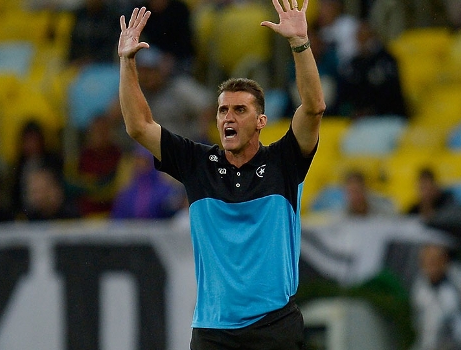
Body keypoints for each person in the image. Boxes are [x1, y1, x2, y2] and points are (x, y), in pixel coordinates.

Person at [117, 0, 326, 347]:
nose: (228, 117)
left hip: (274, 325)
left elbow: (314, 108)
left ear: (261, 122)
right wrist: (126, 62)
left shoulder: (284, 162)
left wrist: (299, 44)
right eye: (222, 110)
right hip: (213, 333)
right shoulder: (196, 163)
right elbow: (138, 127)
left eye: (240, 110)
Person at [135, 45, 215, 143]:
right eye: (142, 72)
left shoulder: (180, 87)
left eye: (150, 71)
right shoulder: (139, 94)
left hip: (187, 144)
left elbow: (208, 106)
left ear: (160, 70)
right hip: (158, 148)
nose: (146, 77)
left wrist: (201, 131)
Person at [335, 20, 407, 118]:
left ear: (373, 37)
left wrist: (372, 111)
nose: (362, 41)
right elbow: (343, 94)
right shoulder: (353, 64)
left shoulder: (386, 60)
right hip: (360, 120)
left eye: (366, 37)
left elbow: (391, 93)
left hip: (388, 117)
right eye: (360, 37)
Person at [410, 243, 461, 350]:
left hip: (460, 339)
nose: (429, 265)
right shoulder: (420, 286)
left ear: (444, 259)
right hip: (428, 342)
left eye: (434, 260)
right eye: (425, 260)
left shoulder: (459, 274)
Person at [110, 144, 185, 219]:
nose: (141, 165)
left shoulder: (166, 191)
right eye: (138, 161)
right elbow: (118, 218)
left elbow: (174, 215)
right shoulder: (127, 193)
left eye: (145, 161)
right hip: (132, 230)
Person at [68, 0, 123, 66]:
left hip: (104, 64)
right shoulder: (78, 15)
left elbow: (113, 43)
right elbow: (73, 41)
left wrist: (92, 60)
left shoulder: (112, 16)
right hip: (78, 63)